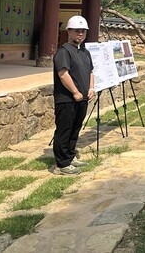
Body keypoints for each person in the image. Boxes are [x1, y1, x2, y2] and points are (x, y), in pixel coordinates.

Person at [52, 15, 95, 175]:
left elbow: (90, 71)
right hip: (67, 99)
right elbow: (63, 74)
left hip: (82, 98)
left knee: (75, 128)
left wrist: (91, 88)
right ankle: (61, 164)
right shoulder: (64, 52)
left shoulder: (85, 52)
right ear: (69, 31)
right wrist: (75, 92)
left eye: (83, 31)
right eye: (77, 31)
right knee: (64, 129)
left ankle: (70, 156)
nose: (80, 34)